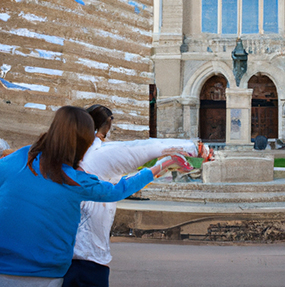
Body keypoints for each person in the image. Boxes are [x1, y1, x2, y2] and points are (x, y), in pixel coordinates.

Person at [0, 106, 172, 286]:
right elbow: (117, 190)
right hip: (47, 273)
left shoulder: (20, 158)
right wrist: (157, 168)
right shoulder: (74, 180)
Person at [63, 105, 207, 287]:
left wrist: (162, 166)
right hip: (86, 257)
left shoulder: (67, 156)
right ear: (106, 127)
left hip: (63, 253)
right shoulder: (97, 154)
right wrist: (191, 149)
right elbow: (137, 154)